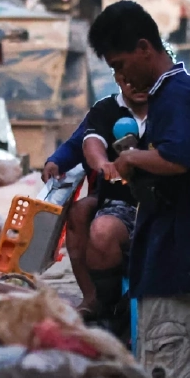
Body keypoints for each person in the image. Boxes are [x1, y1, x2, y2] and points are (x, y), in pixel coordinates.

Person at [88, 0, 190, 378]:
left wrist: (129, 159)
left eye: (123, 63)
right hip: (166, 260)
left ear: (146, 47)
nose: (121, 75)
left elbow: (176, 158)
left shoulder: (177, 94)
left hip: (178, 262)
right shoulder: (170, 93)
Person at [41, 74, 146, 321]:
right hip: (114, 198)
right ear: (118, 77)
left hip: (161, 200)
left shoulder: (171, 107)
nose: (137, 81)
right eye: (128, 74)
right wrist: (56, 161)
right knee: (79, 212)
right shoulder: (106, 109)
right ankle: (94, 299)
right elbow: (83, 143)